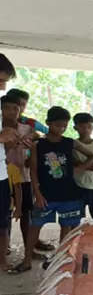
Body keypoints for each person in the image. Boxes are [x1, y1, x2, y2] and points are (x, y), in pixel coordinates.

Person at [29, 107, 93, 249]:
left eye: (64, 125)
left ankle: (62, 258)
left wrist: (79, 169)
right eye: (58, 125)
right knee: (35, 225)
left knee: (67, 228)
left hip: (69, 193)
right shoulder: (38, 145)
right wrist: (37, 193)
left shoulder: (70, 142)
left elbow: (92, 156)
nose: (61, 128)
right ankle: (27, 260)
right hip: (46, 194)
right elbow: (33, 170)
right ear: (48, 123)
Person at [1, 94, 34, 274]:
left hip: (24, 176)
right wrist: (8, 145)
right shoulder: (1, 129)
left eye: (16, 108)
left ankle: (27, 251)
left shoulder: (26, 129)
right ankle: (3, 251)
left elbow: (31, 154)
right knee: (3, 217)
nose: (13, 111)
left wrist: (30, 153)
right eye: (7, 108)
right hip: (4, 178)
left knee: (25, 215)